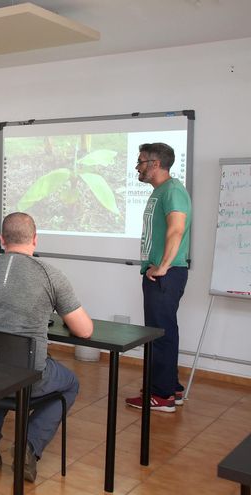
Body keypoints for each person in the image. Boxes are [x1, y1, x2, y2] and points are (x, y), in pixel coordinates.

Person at [0, 212, 93, 482]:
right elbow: (85, 330)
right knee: (70, 383)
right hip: (27, 376)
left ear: (1, 240)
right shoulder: (50, 274)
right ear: (35, 240)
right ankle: (29, 445)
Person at [126, 143, 192, 413]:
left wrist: (162, 267)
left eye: (140, 162)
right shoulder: (161, 191)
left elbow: (176, 230)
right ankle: (170, 388)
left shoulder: (173, 191)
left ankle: (161, 396)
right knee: (163, 332)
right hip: (161, 273)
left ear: (154, 164)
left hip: (166, 274)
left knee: (159, 335)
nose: (138, 167)